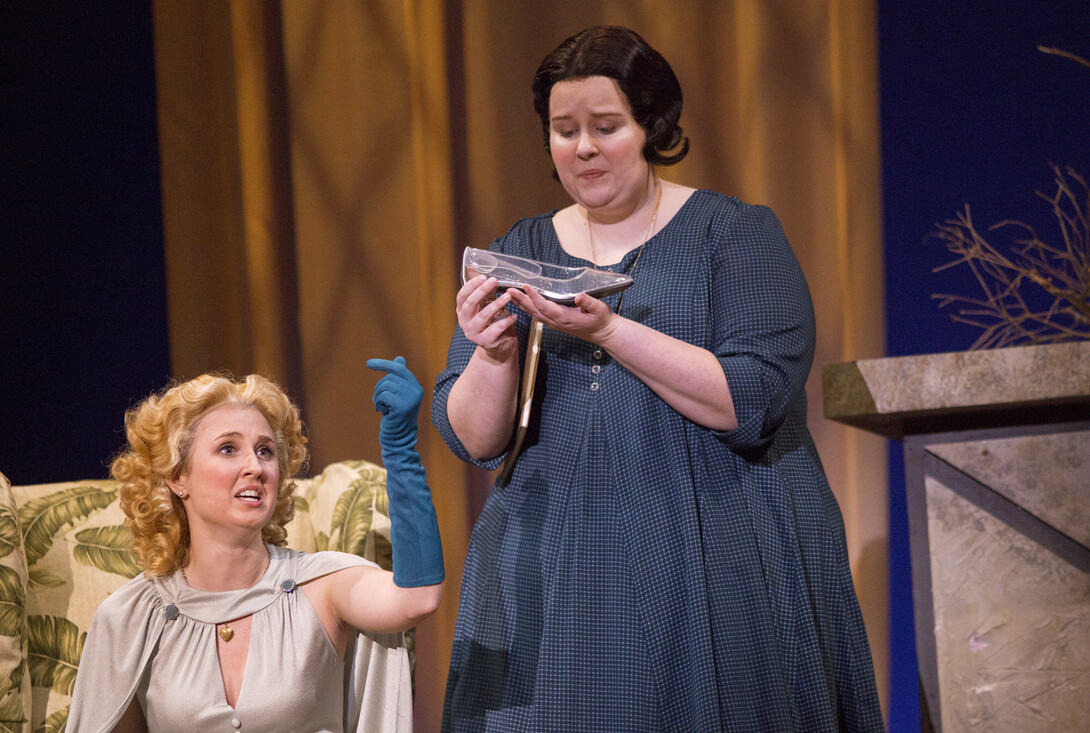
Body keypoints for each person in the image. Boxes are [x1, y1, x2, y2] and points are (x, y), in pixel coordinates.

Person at [433, 25, 883, 732]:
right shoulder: (519, 249)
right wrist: (492, 355)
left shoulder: (733, 234)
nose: (582, 147)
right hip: (565, 557)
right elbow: (474, 437)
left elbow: (752, 398)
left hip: (716, 538)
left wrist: (608, 328)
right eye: (563, 129)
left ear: (652, 127)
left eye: (605, 126)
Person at [68, 357, 444, 732]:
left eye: (265, 451)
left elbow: (417, 598)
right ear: (177, 476)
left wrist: (401, 450)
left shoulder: (323, 585)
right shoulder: (131, 616)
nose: (255, 466)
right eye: (228, 449)